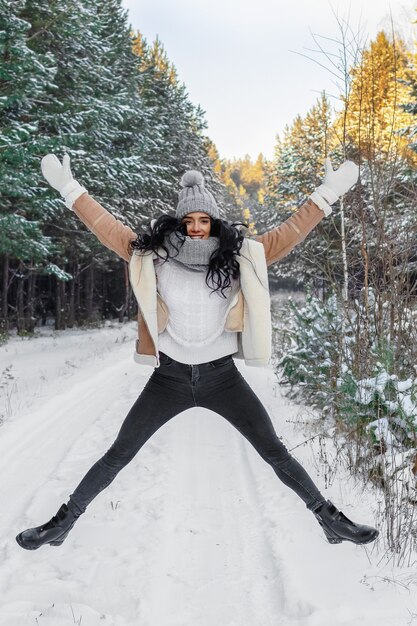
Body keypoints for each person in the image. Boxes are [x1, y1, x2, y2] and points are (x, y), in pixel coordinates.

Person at [16, 154, 378, 551]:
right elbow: (106, 227)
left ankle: (330, 520)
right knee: (118, 453)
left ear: (215, 222)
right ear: (178, 222)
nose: (196, 229)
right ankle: (63, 523)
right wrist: (69, 188)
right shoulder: (153, 255)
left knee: (274, 450)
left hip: (221, 378)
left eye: (203, 221)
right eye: (188, 222)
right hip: (168, 378)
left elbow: (290, 232)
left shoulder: (239, 256)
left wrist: (328, 193)